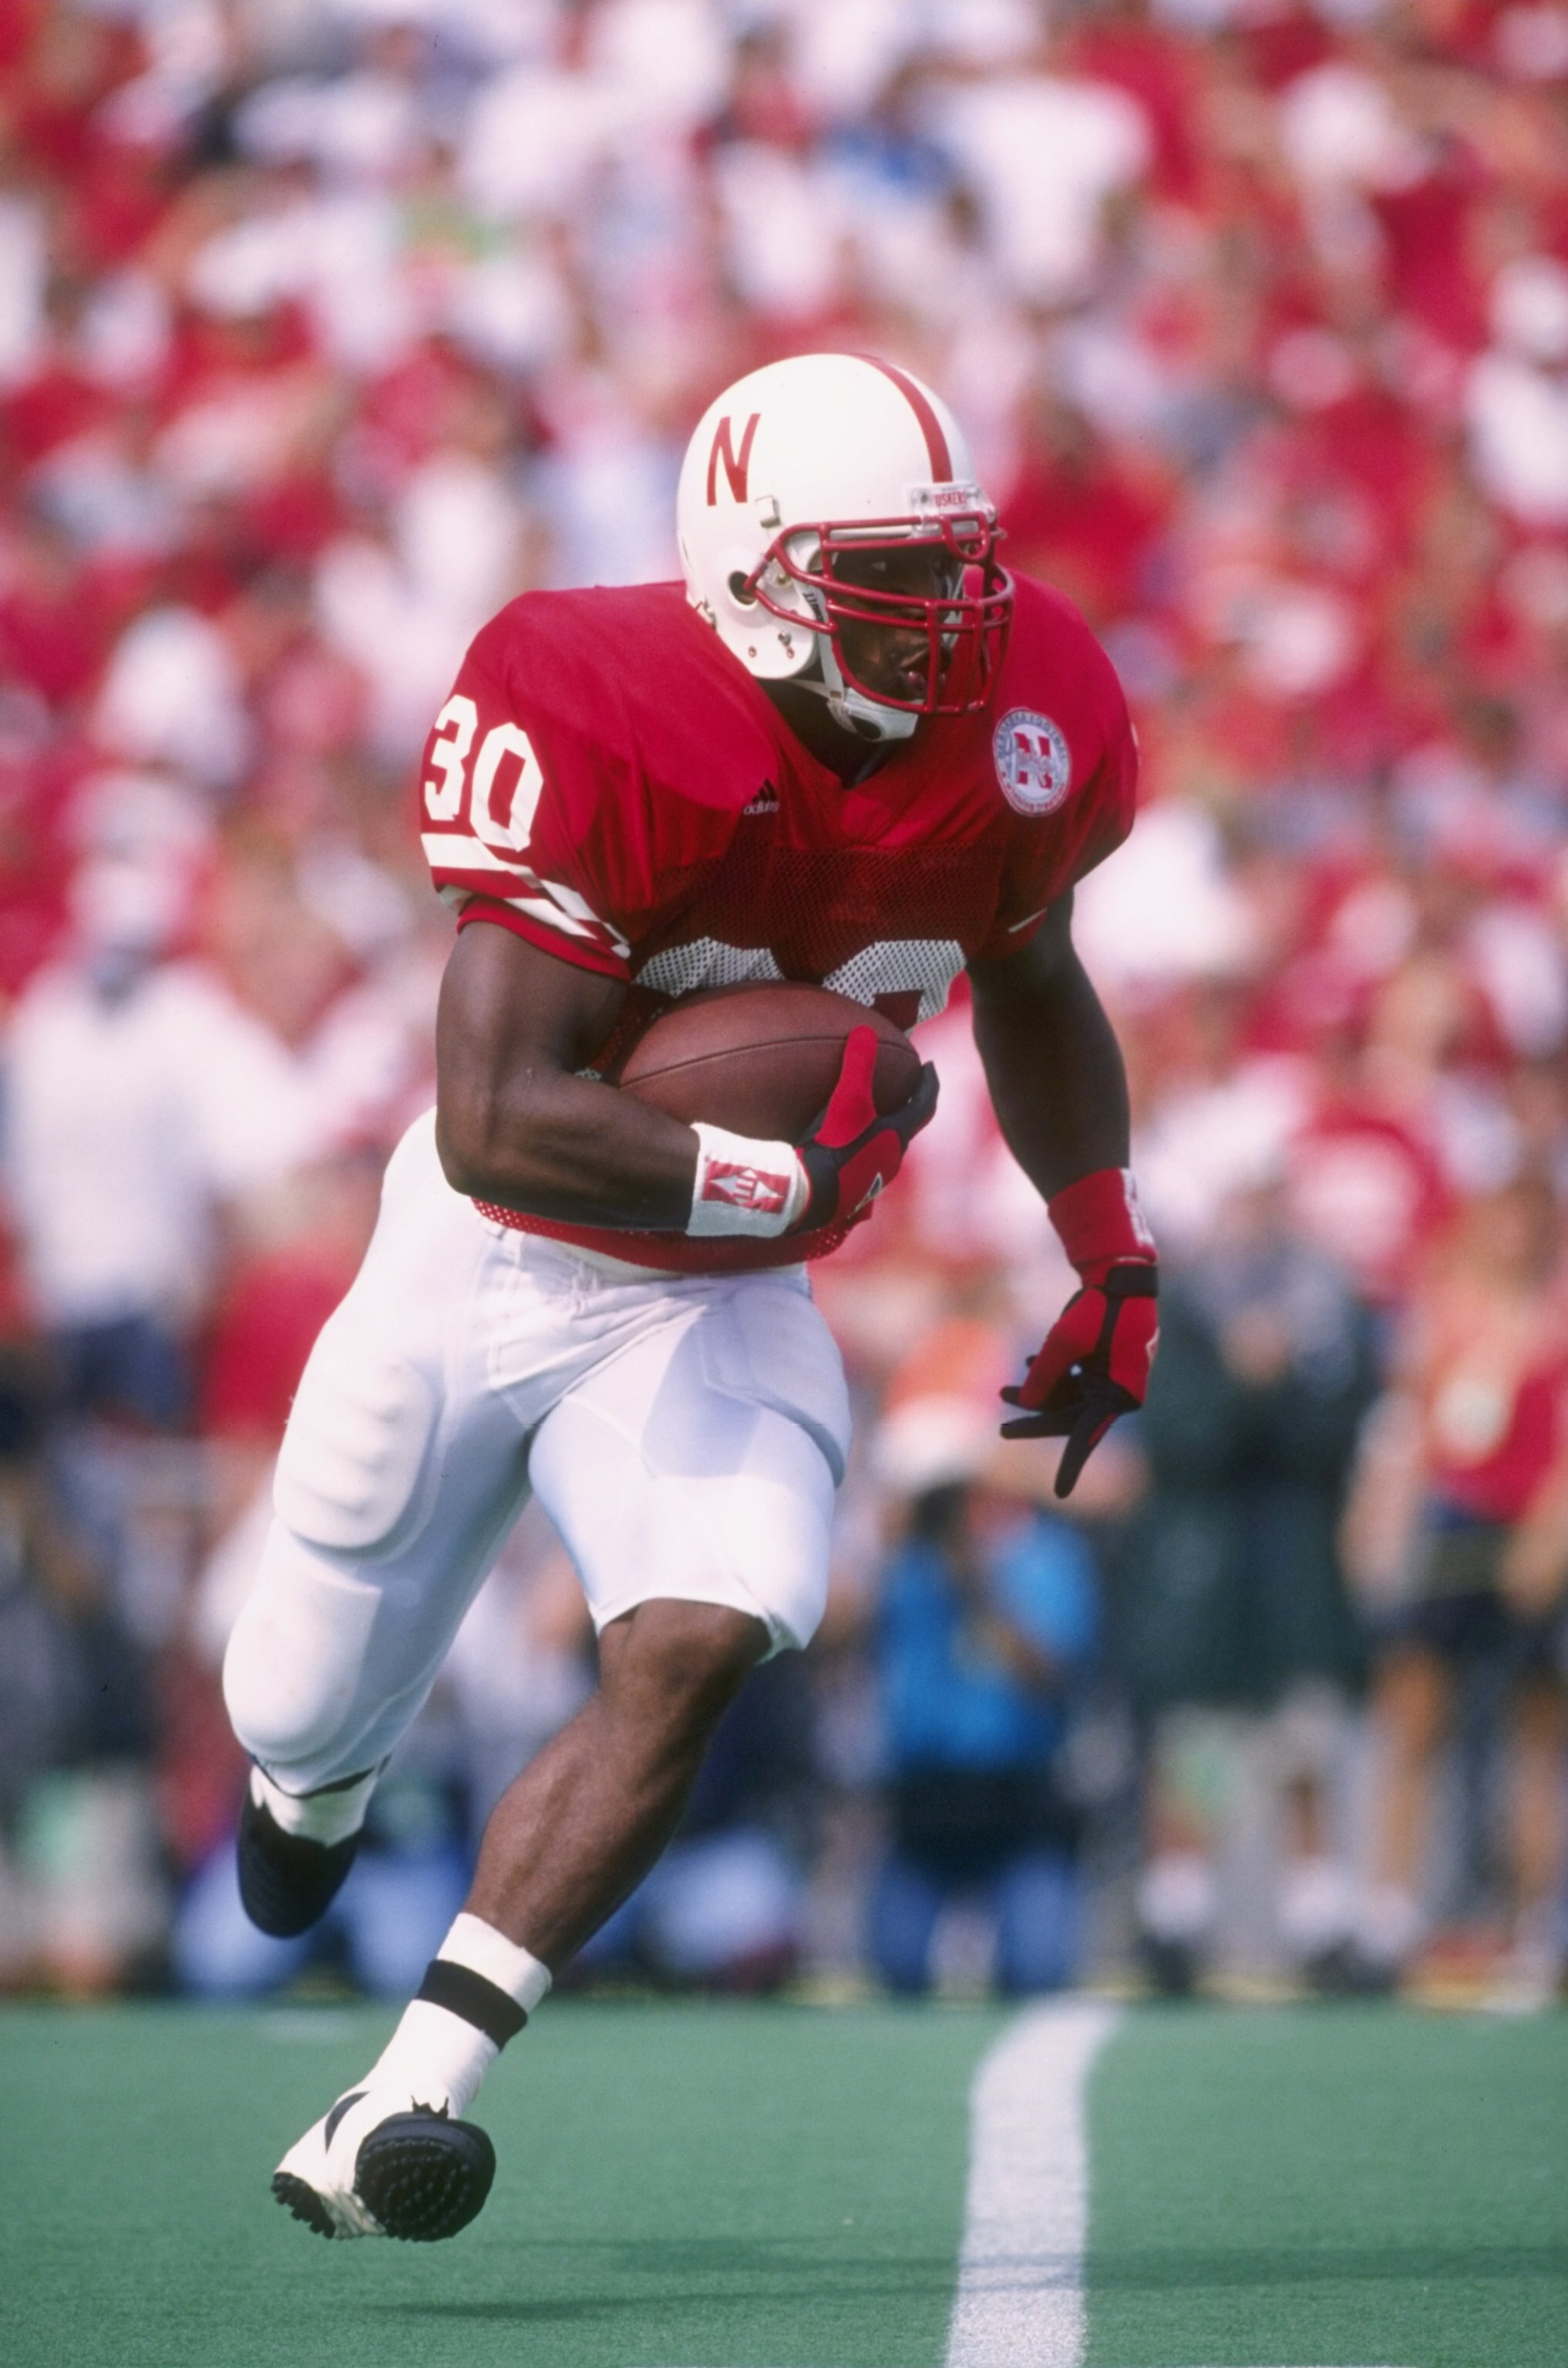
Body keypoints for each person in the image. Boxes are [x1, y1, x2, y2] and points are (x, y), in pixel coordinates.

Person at [219, 352, 1159, 2242]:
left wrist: (1109, 1242)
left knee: (717, 1622)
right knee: (299, 1702)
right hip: (494, 1247)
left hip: (705, 1298)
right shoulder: (597, 698)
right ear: (750, 576)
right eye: (884, 578)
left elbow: (1035, 980)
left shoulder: (1029, 714)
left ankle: (407, 2094)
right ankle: (317, 1789)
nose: (948, 619)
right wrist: (771, 1178)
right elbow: (495, 1121)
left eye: (955, 568)